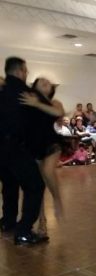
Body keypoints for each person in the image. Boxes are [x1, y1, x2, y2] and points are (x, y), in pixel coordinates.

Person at [0, 56, 47, 245]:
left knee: (9, 183)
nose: (26, 73)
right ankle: (24, 230)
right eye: (26, 70)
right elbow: (43, 114)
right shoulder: (25, 93)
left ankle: (7, 221)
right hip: (16, 147)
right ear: (19, 71)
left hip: (0, 147)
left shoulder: (2, 91)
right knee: (35, 185)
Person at [19, 77, 65, 237]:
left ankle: (57, 200)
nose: (46, 83)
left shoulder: (55, 102)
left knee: (47, 170)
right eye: (41, 82)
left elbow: (58, 112)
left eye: (48, 83)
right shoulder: (28, 99)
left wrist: (37, 104)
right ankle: (42, 222)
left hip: (51, 142)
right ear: (35, 86)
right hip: (32, 145)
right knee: (37, 186)